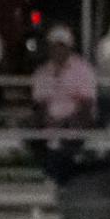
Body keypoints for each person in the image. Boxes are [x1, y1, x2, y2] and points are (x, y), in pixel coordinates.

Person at [30, 25, 98, 184]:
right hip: (50, 123)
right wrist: (47, 119)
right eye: (54, 46)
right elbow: (40, 104)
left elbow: (86, 104)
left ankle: (57, 182)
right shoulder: (41, 72)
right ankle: (56, 180)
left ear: (69, 47)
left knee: (66, 138)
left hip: (76, 122)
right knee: (34, 134)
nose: (58, 50)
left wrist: (65, 122)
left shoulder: (84, 70)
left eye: (62, 46)